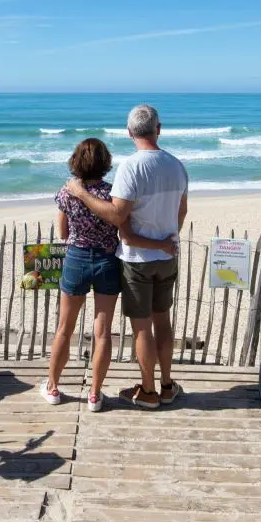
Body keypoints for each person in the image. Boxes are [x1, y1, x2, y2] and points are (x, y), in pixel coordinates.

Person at [67, 104, 188, 410]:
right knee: (163, 321)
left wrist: (82, 194)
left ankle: (148, 391)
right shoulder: (177, 165)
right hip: (167, 255)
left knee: (143, 327)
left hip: (137, 259)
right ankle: (167, 385)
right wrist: (166, 238)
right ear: (158, 129)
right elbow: (181, 211)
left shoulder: (131, 167)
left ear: (130, 132)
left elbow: (117, 214)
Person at [42, 138, 175, 411]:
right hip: (106, 261)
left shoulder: (66, 193)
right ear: (105, 163)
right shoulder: (112, 194)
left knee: (65, 329)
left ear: (76, 160)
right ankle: (94, 394)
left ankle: (53, 387)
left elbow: (63, 234)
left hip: (76, 259)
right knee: (102, 332)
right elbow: (120, 226)